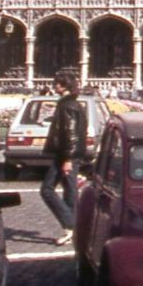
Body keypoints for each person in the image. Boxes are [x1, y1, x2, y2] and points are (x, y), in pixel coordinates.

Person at [40, 73, 88, 246]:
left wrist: (67, 158)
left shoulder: (67, 106)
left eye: (56, 84)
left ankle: (72, 225)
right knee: (69, 189)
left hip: (65, 155)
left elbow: (71, 134)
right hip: (68, 154)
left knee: (47, 190)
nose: (54, 87)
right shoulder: (72, 104)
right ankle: (71, 229)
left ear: (63, 86)